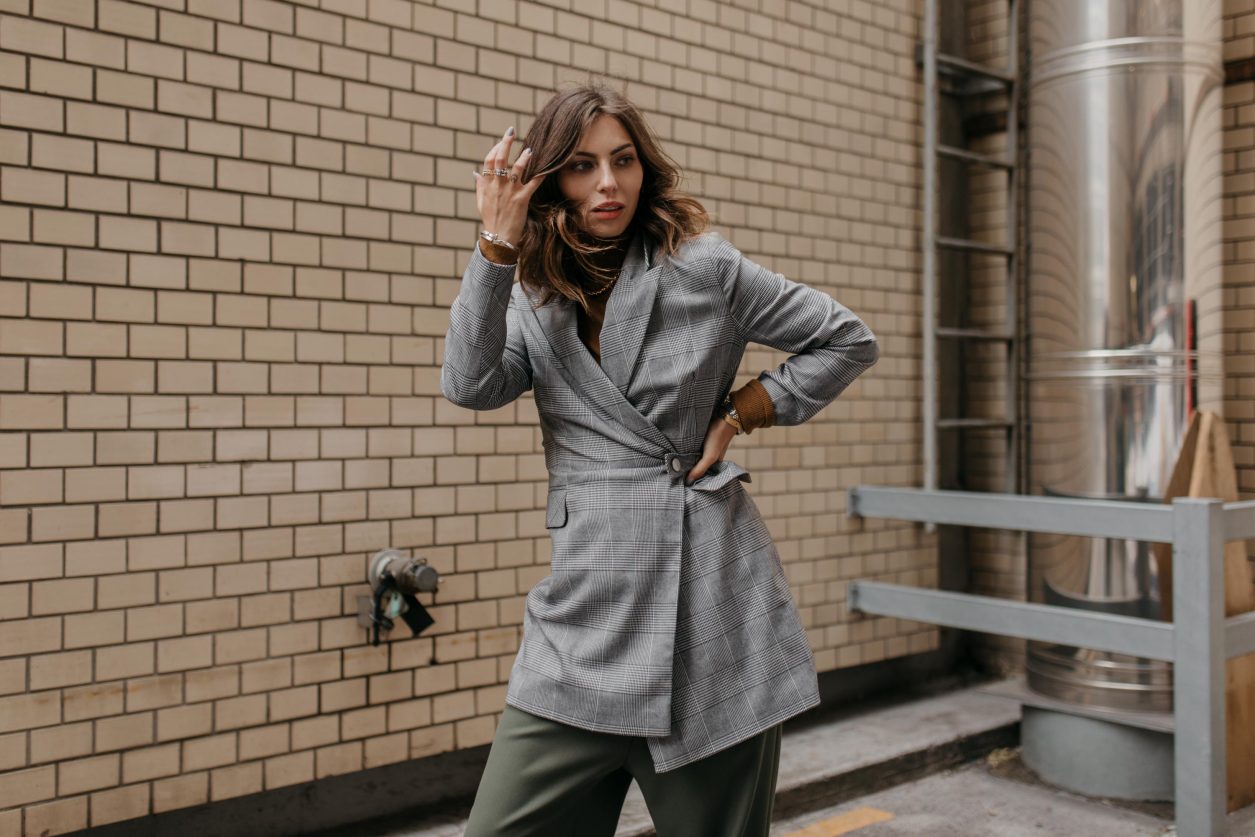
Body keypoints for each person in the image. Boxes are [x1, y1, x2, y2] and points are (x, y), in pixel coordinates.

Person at [442, 83, 879, 837]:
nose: (607, 183)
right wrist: (495, 248)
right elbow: (471, 383)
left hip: (708, 609)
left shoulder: (701, 268)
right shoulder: (533, 289)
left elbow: (847, 338)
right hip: (583, 619)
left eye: (623, 160)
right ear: (548, 181)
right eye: (581, 166)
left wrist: (742, 412)